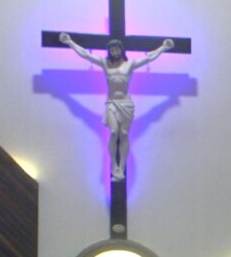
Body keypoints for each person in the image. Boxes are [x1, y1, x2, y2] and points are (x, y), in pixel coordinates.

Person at [58, 32, 175, 180]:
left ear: (121, 50)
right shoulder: (105, 64)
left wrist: (163, 47)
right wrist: (69, 42)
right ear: (110, 52)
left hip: (126, 104)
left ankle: (122, 167)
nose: (115, 52)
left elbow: (148, 58)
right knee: (113, 132)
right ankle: (114, 165)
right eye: (112, 50)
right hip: (112, 103)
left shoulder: (129, 65)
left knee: (124, 134)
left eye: (117, 49)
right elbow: (86, 55)